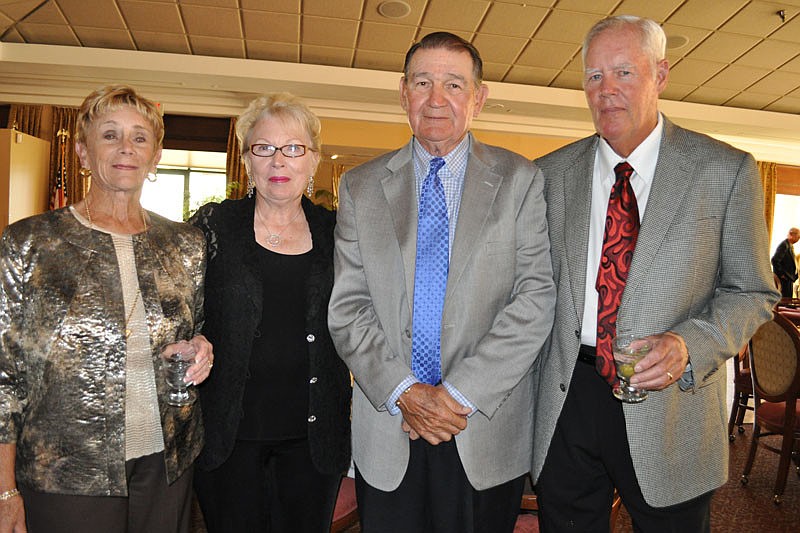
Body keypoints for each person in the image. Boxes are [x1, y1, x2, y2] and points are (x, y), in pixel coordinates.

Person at [531, 15, 780, 532]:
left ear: (661, 75)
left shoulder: (724, 171)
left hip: (672, 407)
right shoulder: (550, 174)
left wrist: (690, 343)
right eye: (594, 76)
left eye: (624, 71)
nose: (607, 90)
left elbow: (752, 291)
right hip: (566, 398)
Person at [328, 32, 555, 533]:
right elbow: (348, 307)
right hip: (390, 423)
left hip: (482, 424)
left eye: (454, 84)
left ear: (479, 97)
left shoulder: (520, 180)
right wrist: (407, 392)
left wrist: (452, 397)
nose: (436, 99)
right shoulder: (361, 187)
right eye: (423, 82)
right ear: (402, 92)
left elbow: (535, 300)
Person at [0, 85, 214, 533]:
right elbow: (5, 377)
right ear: (82, 151)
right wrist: (4, 490)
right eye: (110, 135)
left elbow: (198, 328)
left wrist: (202, 345)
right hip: (65, 471)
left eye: (140, 138)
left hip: (166, 464)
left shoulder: (185, 245)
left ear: (155, 157)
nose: (125, 149)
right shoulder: (28, 244)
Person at [190, 93, 351, 533]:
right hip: (230, 433)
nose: (279, 160)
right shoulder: (214, 225)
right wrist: (194, 338)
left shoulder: (337, 231)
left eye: (294, 148)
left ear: (313, 160)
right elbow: (182, 306)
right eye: (263, 148)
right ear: (246, 160)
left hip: (313, 435)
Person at [771, 227, 799, 297]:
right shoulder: (784, 245)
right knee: (784, 300)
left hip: (789, 278)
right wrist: (782, 275)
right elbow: (774, 260)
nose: (799, 239)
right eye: (798, 237)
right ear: (791, 234)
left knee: (788, 299)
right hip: (783, 280)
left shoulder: (789, 245)